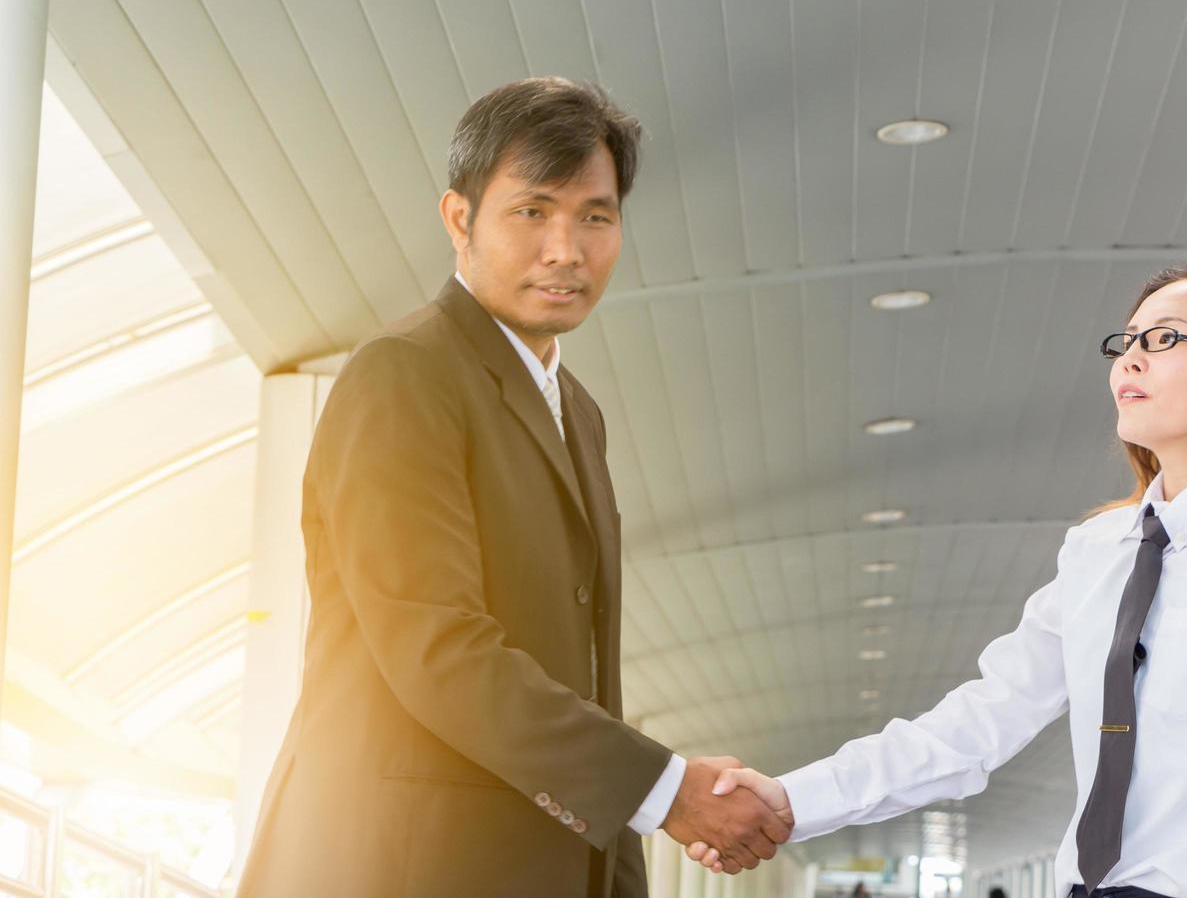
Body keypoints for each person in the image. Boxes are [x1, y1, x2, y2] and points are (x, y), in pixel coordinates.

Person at [686, 247, 1187, 897]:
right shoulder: (1098, 550)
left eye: (1166, 338)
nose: (1131, 361)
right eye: (1127, 343)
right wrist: (791, 799)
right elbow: (977, 723)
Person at [235, 77, 789, 897]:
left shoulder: (579, 413)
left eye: (595, 217)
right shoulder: (405, 375)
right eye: (532, 211)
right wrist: (669, 792)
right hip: (397, 867)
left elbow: (592, 678)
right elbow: (435, 646)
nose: (566, 248)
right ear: (459, 219)